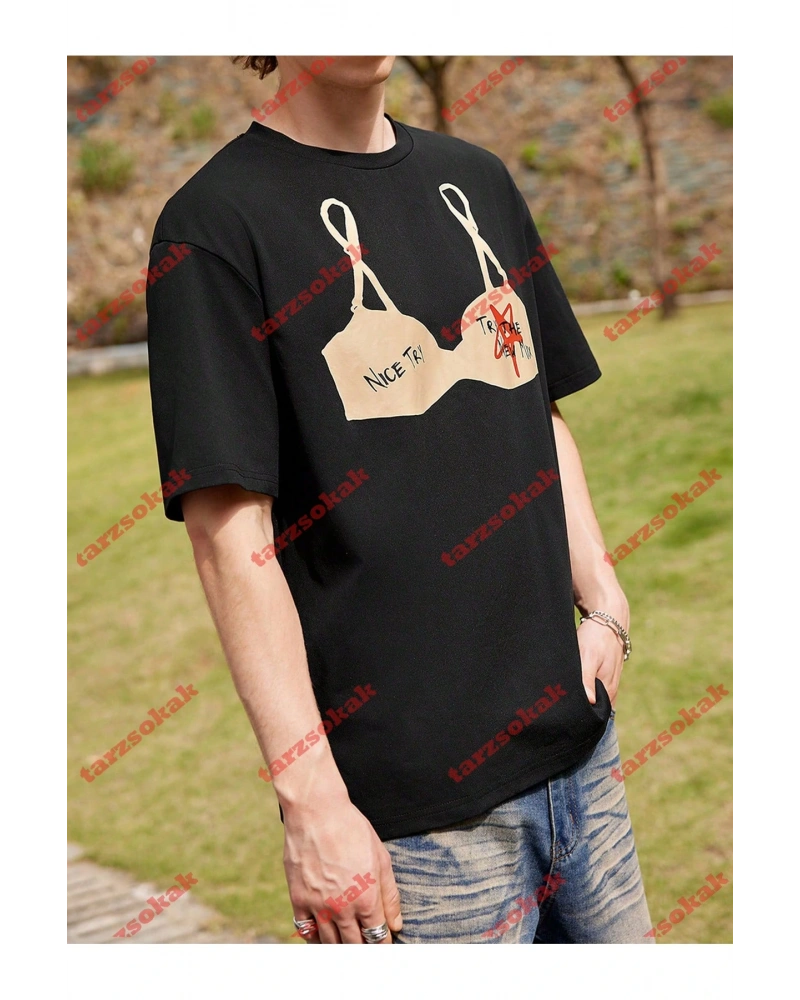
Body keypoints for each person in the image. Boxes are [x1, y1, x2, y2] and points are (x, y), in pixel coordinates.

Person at [146, 55, 652, 944]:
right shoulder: (214, 225)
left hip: (582, 761)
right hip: (419, 831)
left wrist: (605, 596)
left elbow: (540, 408)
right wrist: (312, 802)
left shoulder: (477, 180)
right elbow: (229, 532)